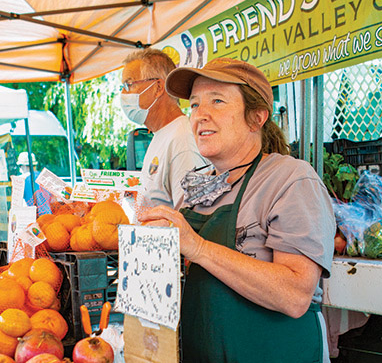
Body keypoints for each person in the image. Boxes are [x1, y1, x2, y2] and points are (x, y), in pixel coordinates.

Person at [139, 58, 336, 363]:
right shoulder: (197, 187)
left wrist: (198, 247)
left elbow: (296, 294)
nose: (200, 115)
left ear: (256, 117)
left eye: (217, 101)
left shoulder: (290, 179)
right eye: (193, 105)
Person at [120, 48, 208, 210]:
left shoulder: (183, 141)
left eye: (129, 84)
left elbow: (191, 219)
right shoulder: (161, 135)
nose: (123, 93)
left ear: (158, 88)